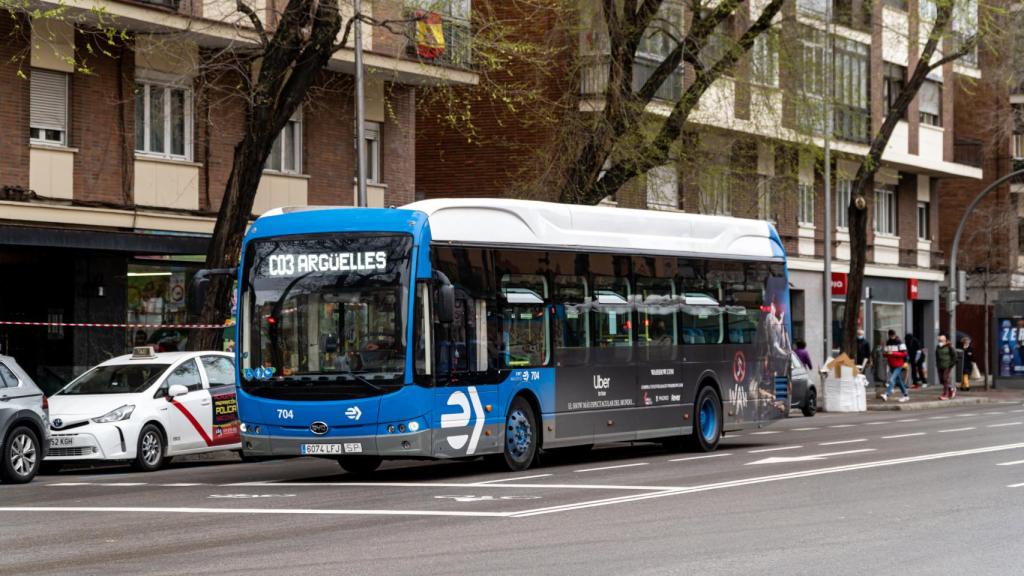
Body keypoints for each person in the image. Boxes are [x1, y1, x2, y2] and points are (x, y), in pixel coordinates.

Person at [882, 330, 909, 403]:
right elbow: (884, 354)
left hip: (899, 365)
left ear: (894, 335)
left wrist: (893, 353)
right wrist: (886, 353)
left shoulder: (900, 343)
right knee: (899, 381)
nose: (891, 337)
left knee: (891, 379)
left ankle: (886, 394)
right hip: (891, 364)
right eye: (890, 336)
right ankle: (906, 395)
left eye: (892, 336)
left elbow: (904, 354)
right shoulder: (888, 342)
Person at [936, 334, 956, 401]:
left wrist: (951, 364)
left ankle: (945, 394)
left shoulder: (949, 347)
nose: (939, 342)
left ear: (945, 340)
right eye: (939, 340)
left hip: (947, 366)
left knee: (945, 379)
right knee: (942, 380)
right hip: (940, 366)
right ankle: (951, 390)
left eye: (941, 340)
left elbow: (954, 356)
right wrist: (937, 364)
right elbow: (937, 356)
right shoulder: (938, 347)